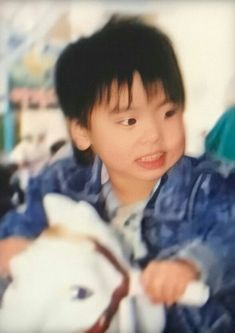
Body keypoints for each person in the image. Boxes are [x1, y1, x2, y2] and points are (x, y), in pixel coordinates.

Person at [0, 15, 235, 332]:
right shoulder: (62, 183)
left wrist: (193, 265)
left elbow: (227, 234)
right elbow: (26, 221)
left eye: (168, 112)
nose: (153, 133)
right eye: (129, 121)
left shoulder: (209, 185)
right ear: (83, 132)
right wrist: (14, 241)